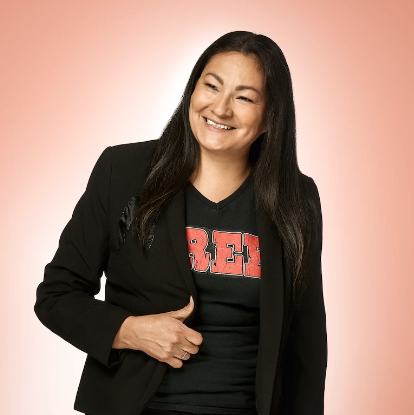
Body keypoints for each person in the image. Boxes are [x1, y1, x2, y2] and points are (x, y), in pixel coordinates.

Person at [34, 31, 327, 415]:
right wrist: (129, 331)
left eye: (243, 97)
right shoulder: (122, 173)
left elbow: (306, 346)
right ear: (193, 90)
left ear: (271, 117)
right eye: (211, 86)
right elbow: (56, 295)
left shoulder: (296, 199)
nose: (220, 109)